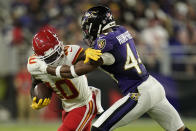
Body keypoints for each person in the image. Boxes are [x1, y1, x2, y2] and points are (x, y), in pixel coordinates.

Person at [32, 6, 191, 131]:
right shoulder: (121, 30)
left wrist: (50, 70)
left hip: (139, 93)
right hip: (154, 86)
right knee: (179, 129)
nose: (87, 32)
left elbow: (82, 69)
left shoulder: (104, 43)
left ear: (96, 25)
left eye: (88, 27)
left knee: (99, 128)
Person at [27, 26, 104, 131]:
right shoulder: (34, 65)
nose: (56, 58)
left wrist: (87, 52)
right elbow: (35, 81)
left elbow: (86, 57)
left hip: (83, 104)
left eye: (56, 52)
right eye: (50, 57)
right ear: (39, 57)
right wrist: (34, 96)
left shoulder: (71, 52)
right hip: (67, 108)